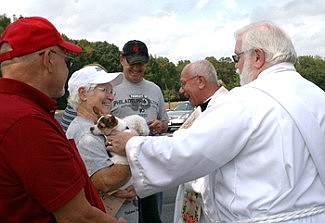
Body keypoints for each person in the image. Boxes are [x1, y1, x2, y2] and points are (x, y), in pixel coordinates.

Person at [107, 21, 325, 222]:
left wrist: (131, 144)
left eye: (237, 57)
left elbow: (189, 151)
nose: (236, 67)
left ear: (257, 57)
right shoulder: (318, 96)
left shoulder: (246, 100)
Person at [0, 16, 126, 222]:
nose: (68, 70)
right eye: (67, 61)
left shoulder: (16, 111)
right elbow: (78, 216)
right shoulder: (26, 122)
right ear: (48, 59)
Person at [65, 65, 138, 222]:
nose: (111, 97)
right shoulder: (86, 134)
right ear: (83, 94)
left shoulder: (94, 127)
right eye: (104, 90)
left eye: (111, 91)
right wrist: (132, 148)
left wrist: (130, 185)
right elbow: (106, 181)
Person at [110, 40, 169, 223]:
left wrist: (161, 125)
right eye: (132, 63)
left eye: (140, 63)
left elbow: (165, 123)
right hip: (120, 166)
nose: (136, 68)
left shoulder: (154, 89)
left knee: (152, 217)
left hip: (150, 166)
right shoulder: (110, 87)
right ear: (121, 60)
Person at [173, 60, 228, 223]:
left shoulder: (226, 108)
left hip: (215, 198)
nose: (181, 90)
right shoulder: (199, 109)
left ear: (200, 81)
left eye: (183, 84)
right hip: (194, 196)